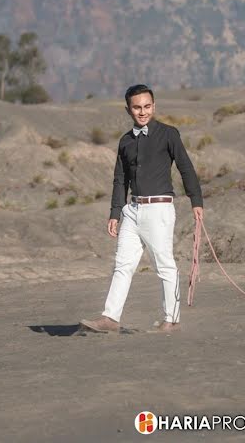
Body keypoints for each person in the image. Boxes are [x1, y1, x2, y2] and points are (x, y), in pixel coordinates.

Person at [80, 84, 204, 333]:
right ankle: (110, 319)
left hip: (159, 209)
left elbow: (185, 167)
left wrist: (196, 200)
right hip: (132, 211)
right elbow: (120, 180)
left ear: (154, 106)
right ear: (128, 109)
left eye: (147, 106)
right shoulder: (125, 141)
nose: (143, 111)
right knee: (122, 265)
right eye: (137, 107)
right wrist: (116, 212)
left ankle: (172, 320)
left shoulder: (169, 134)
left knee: (164, 265)